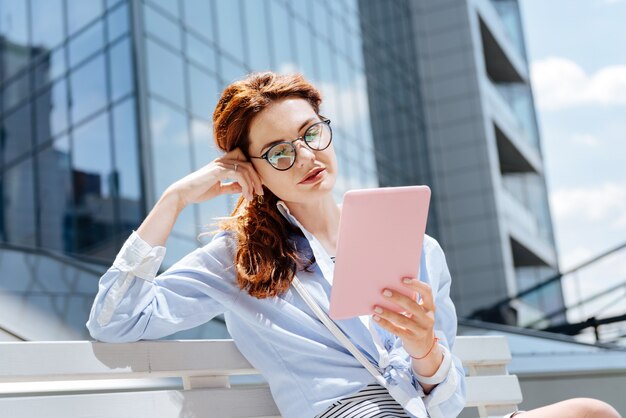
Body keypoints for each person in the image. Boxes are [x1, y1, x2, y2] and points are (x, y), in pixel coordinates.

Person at [86, 71, 620, 418]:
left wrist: (426, 351)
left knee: (591, 413)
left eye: (311, 134)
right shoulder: (238, 260)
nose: (305, 157)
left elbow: (448, 402)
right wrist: (174, 200)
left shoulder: (415, 245)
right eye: (277, 153)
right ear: (248, 172)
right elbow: (115, 321)